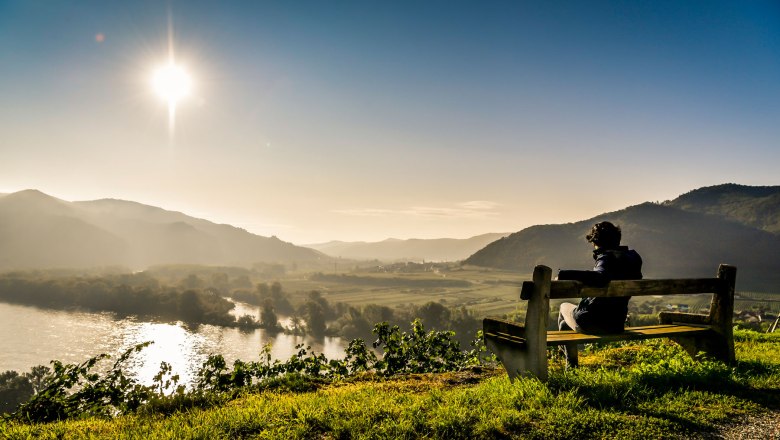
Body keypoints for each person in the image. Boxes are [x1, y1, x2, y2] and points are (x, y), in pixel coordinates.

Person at [556, 221, 642, 367]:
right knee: (565, 325)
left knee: (563, 307)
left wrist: (563, 274)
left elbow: (600, 277)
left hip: (591, 322)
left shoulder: (606, 257)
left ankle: (567, 361)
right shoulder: (633, 259)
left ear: (596, 241)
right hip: (616, 323)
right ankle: (569, 365)